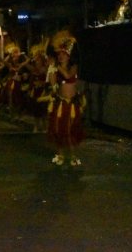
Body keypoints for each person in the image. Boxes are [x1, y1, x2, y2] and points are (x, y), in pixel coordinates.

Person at [46, 30, 86, 166]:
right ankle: (61, 154)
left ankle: (73, 155)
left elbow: (68, 76)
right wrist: (52, 72)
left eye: (63, 54)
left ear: (69, 56)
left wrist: (57, 67)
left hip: (72, 104)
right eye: (59, 55)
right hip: (60, 102)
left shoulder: (74, 67)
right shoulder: (56, 69)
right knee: (58, 129)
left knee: (71, 129)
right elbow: (53, 85)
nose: (61, 57)